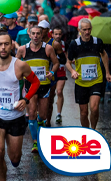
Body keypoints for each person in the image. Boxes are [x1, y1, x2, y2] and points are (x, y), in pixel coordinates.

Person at [0, 33, 40, 181]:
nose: (3, 47)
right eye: (0, 44)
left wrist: (26, 99)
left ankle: (11, 164)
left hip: (16, 116)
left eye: (6, 44)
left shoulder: (20, 65)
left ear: (11, 45)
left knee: (15, 159)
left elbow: (36, 83)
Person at [16, 25, 59, 153]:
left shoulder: (48, 48)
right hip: (30, 86)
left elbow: (56, 63)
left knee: (43, 115)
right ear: (29, 35)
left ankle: (41, 129)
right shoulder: (23, 49)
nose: (35, 36)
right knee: (32, 113)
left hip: (44, 85)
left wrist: (52, 71)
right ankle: (36, 142)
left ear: (42, 35)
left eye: (38, 34)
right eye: (33, 33)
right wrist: (21, 74)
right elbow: (15, 63)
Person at [66, 18, 111, 129]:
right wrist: (72, 71)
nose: (87, 32)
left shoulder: (97, 42)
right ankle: (86, 131)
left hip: (96, 80)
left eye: (89, 29)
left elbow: (104, 54)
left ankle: (93, 130)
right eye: (84, 29)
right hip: (81, 82)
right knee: (83, 112)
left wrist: (107, 73)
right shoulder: (74, 44)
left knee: (94, 108)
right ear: (79, 30)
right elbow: (67, 62)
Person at [39, 20, 65, 127]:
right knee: (37, 100)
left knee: (49, 101)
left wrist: (53, 57)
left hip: (51, 76)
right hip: (37, 76)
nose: (40, 31)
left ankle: (48, 122)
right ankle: (39, 119)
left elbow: (63, 60)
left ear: (47, 31)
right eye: (39, 28)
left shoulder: (55, 44)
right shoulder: (35, 42)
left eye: (43, 29)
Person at [51, 27, 68, 124]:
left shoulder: (65, 44)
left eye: (59, 34)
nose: (57, 36)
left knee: (59, 91)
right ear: (52, 35)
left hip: (61, 71)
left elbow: (67, 57)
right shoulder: (49, 44)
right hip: (52, 71)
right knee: (51, 95)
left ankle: (58, 114)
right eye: (56, 34)